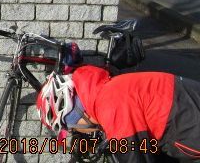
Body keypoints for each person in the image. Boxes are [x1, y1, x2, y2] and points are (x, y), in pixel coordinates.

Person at [36, 65, 200, 162]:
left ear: (75, 113)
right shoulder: (106, 91)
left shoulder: (111, 109)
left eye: (70, 126)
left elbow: (132, 158)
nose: (74, 131)